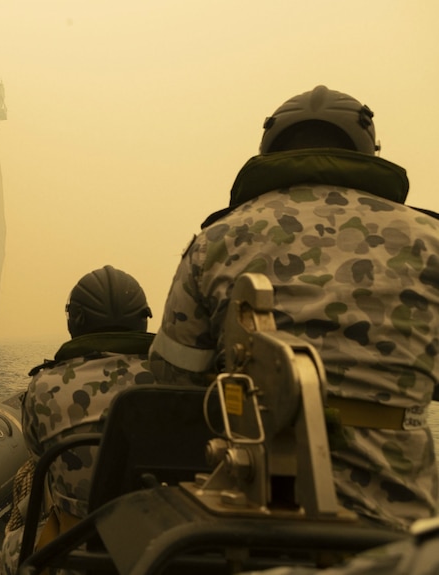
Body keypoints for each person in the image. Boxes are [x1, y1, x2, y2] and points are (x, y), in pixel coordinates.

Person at [149, 85, 439, 531]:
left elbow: (172, 381)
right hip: (401, 524)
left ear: (270, 150)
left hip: (250, 512)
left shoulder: (216, 240)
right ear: (367, 150)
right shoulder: (429, 240)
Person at [0, 265, 156, 575]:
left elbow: (38, 456)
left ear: (75, 321)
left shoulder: (43, 387)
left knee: (11, 552)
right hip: (163, 542)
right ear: (143, 318)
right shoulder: (172, 379)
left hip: (75, 548)